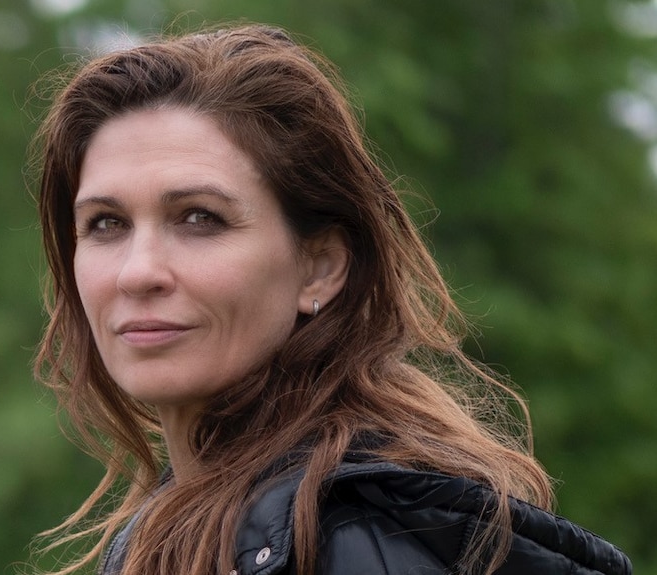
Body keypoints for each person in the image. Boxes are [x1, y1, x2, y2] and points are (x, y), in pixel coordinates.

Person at [31, 23, 631, 575]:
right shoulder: (185, 530)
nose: (138, 273)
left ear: (319, 268)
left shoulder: (357, 538)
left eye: (199, 218)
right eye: (106, 224)